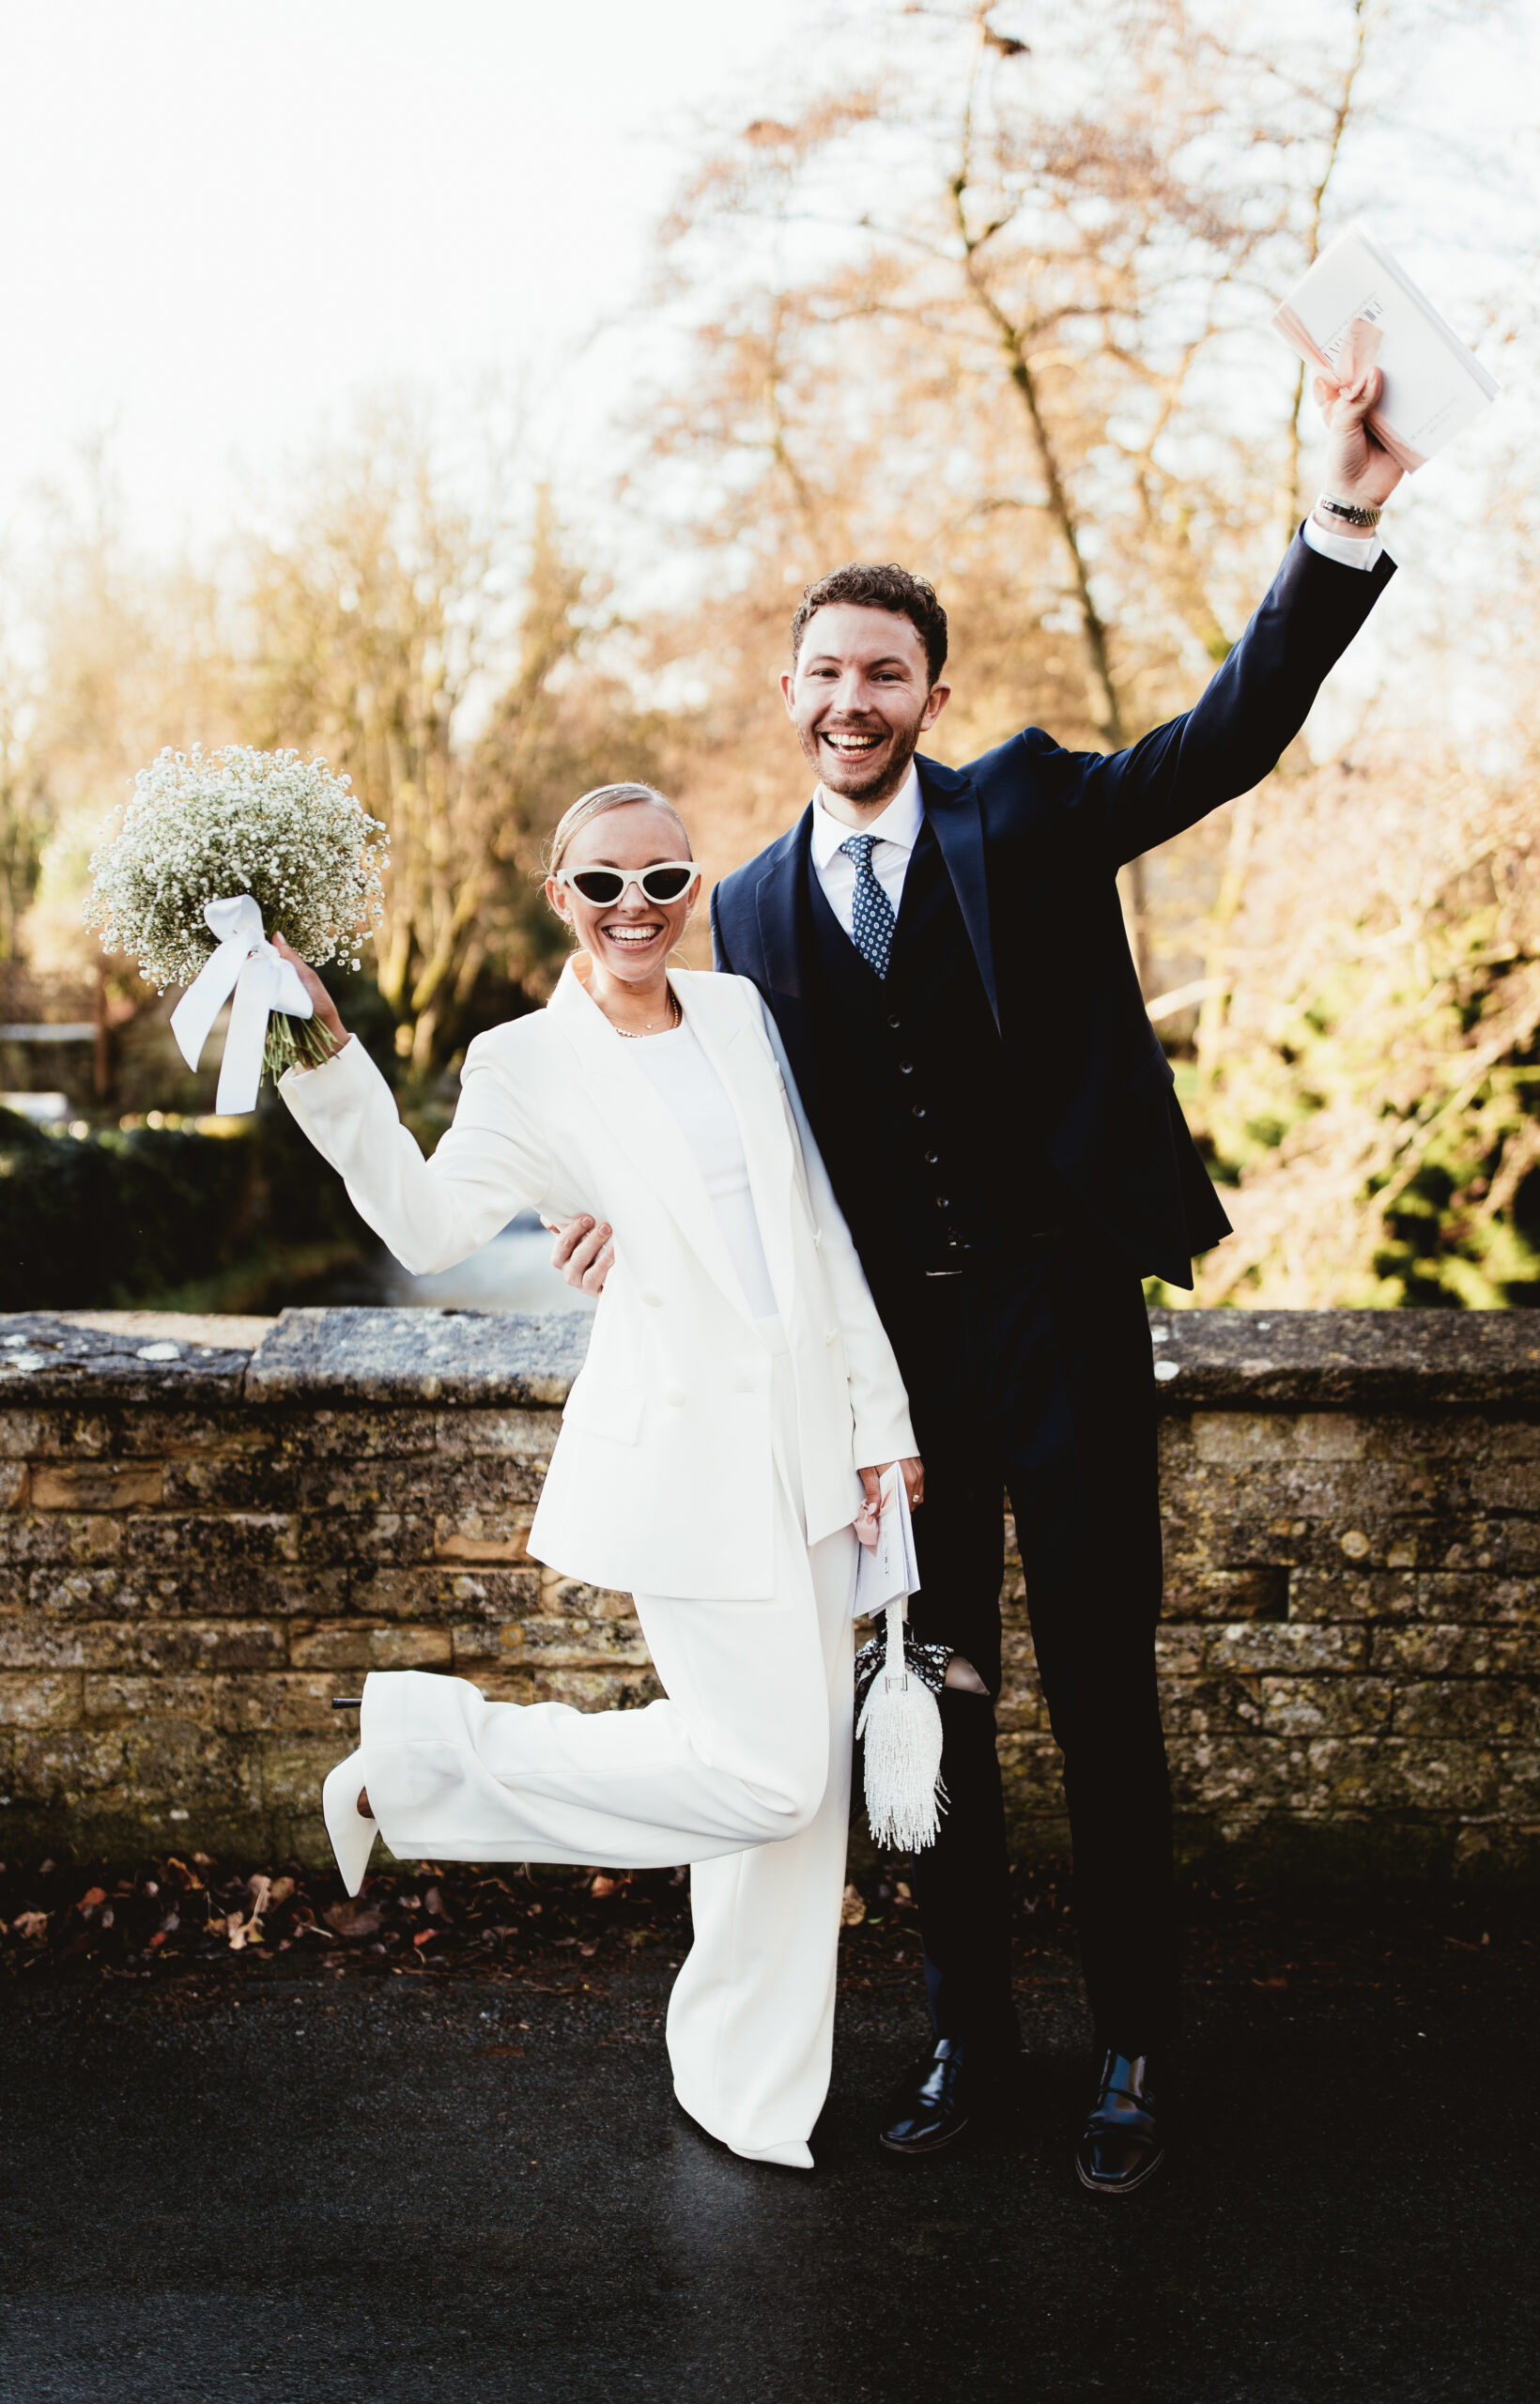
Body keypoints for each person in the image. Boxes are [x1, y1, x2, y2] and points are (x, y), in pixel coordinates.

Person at [553, 368, 1403, 2192]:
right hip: (897, 1357)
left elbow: (1224, 735)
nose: (850, 697)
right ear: (785, 695)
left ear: (928, 695)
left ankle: (1133, 2050)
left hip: (1063, 1311)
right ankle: (965, 2038)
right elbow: (722, 1130)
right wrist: (616, 1211)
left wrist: (1334, 525)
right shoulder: (756, 911)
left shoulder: (1023, 812)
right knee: (929, 1696)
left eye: (884, 671)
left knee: (1100, 1691)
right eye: (824, 670)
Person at [273, 780, 921, 2172]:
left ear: (694, 890)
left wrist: (879, 1421)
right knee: (772, 1780)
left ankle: (750, 2089)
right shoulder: (525, 1062)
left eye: (664, 878)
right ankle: (422, 1762)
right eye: (606, 884)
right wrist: (324, 1058)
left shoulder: (740, 1016)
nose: (638, 907)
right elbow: (434, 1225)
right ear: (561, 896)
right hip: (687, 1459)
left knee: (799, 1833)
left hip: (812, 1443)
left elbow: (810, 1229)